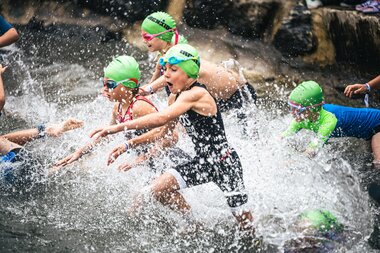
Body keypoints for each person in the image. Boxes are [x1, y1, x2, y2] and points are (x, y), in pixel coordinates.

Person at [89, 44, 255, 232]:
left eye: (173, 70)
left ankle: (255, 240)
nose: (166, 75)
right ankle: (196, 226)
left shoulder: (198, 94)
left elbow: (161, 118)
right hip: (202, 162)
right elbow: (163, 132)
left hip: (225, 164)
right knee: (156, 190)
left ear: (190, 73)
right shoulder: (174, 98)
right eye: (165, 69)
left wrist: (115, 128)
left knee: (245, 225)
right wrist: (127, 145)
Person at [54, 56, 160, 169]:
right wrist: (79, 153)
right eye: (103, 84)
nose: (103, 90)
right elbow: (107, 135)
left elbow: (170, 136)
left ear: (128, 85)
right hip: (147, 162)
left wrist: (141, 159)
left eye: (109, 85)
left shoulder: (140, 107)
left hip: (164, 161)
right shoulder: (117, 108)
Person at [140, 11, 256, 112]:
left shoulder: (182, 59)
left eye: (147, 36)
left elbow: (156, 85)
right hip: (222, 96)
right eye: (142, 36)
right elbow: (152, 88)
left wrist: (149, 89)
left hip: (240, 94)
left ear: (162, 36)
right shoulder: (167, 56)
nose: (144, 40)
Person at [283, 80, 380, 166]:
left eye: (296, 109)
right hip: (366, 131)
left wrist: (292, 162)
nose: (292, 112)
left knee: (377, 164)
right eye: (291, 107)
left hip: (377, 123)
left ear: (312, 109)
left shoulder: (329, 120)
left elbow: (312, 150)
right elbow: (282, 137)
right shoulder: (303, 118)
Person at [0, 119, 83, 189]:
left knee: (40, 174)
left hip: (16, 169)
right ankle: (48, 130)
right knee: (38, 174)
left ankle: (48, 131)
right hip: (20, 160)